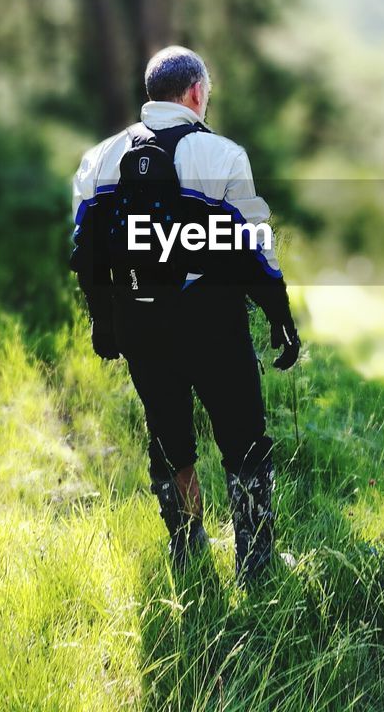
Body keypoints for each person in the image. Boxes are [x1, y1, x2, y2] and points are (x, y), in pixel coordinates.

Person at [70, 45, 300, 583]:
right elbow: (253, 247)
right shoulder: (221, 155)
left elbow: (86, 254)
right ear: (196, 93)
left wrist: (105, 323)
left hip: (137, 319)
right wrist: (279, 315)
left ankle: (186, 545)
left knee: (168, 436)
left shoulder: (100, 157)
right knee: (243, 437)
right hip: (211, 319)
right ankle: (256, 565)